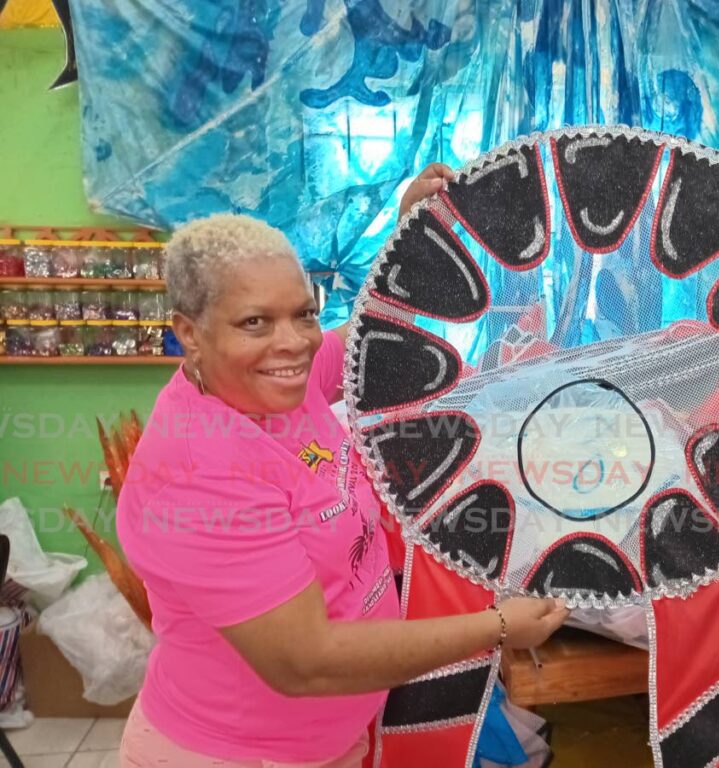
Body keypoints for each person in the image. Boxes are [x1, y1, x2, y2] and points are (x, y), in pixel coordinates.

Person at [116, 165, 569, 767]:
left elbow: (373, 326)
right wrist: (498, 627)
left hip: (330, 739)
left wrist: (411, 231)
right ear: (188, 334)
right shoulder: (201, 469)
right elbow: (308, 661)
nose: (294, 342)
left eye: (303, 314)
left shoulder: (282, 383)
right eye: (255, 322)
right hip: (236, 753)